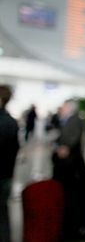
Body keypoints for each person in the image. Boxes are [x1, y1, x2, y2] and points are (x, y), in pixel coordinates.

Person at [52, 99, 85, 239]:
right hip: (70, 164)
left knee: (70, 195)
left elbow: (71, 139)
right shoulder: (69, 119)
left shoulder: (74, 120)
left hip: (70, 165)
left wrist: (65, 148)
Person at [0, 85, 19, 242]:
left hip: (2, 175)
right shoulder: (11, 122)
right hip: (7, 174)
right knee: (3, 213)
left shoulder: (3, 122)